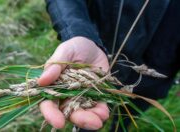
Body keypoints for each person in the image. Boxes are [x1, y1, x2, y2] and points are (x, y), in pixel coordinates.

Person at [38, 0, 180, 131]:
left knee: (128, 116)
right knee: (89, 121)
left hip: (152, 82)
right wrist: (78, 33)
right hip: (96, 60)